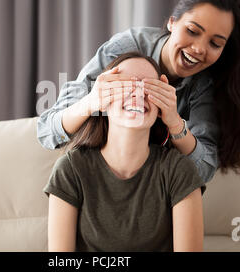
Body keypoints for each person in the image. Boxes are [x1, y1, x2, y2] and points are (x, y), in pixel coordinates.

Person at [37, 0, 240, 182]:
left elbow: (204, 171)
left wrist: (175, 123)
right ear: (172, 22)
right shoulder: (124, 50)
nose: (199, 49)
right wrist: (90, 103)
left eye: (215, 44)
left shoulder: (204, 84)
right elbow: (47, 131)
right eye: (192, 31)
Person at [44, 53, 206, 252]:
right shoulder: (71, 169)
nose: (137, 95)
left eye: (149, 88)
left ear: (162, 105)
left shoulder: (178, 170)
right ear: (102, 99)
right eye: (124, 86)